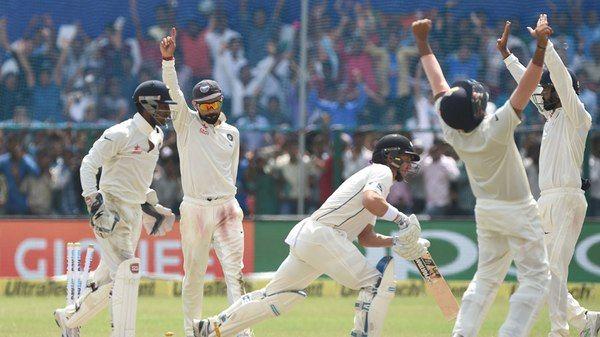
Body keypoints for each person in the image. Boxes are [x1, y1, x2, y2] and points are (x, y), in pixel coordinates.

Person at [192, 134, 430, 337]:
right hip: (324, 236)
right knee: (376, 284)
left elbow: (366, 237)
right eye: (406, 159)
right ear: (391, 156)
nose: (409, 165)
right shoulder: (381, 172)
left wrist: (398, 240)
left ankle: (211, 328)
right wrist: (403, 220)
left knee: (276, 298)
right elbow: (371, 200)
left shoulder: (376, 184)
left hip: (312, 238)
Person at [412, 15, 552, 337]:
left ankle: (463, 333)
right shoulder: (497, 128)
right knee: (535, 278)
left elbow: (438, 86)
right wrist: (541, 46)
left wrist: (422, 44)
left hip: (486, 210)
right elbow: (527, 85)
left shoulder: (453, 130)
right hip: (518, 209)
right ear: (476, 109)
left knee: (487, 277)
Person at [497, 19, 599, 337]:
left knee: (555, 269)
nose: (545, 90)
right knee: (540, 270)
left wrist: (546, 45)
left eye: (550, 87)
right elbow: (527, 85)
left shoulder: (577, 115)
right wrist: (506, 56)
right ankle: (588, 321)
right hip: (547, 199)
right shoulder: (551, 115)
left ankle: (560, 331)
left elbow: (561, 81)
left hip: (567, 198)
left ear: (563, 90)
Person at [53, 80, 176, 337]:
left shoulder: (157, 134)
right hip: (111, 210)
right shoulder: (121, 133)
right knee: (128, 272)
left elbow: (136, 179)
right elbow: (88, 165)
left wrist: (150, 205)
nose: (168, 111)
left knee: (108, 279)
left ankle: (68, 318)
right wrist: (94, 203)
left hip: (133, 211)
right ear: (147, 104)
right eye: (164, 105)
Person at [159, 28, 250, 337]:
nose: (209, 111)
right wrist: (168, 61)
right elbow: (173, 94)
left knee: (234, 275)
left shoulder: (232, 133)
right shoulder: (185, 125)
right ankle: (190, 331)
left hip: (226, 207)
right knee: (193, 274)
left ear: (221, 103)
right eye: (204, 106)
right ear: (195, 107)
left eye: (214, 105)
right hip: (196, 207)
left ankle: (240, 331)